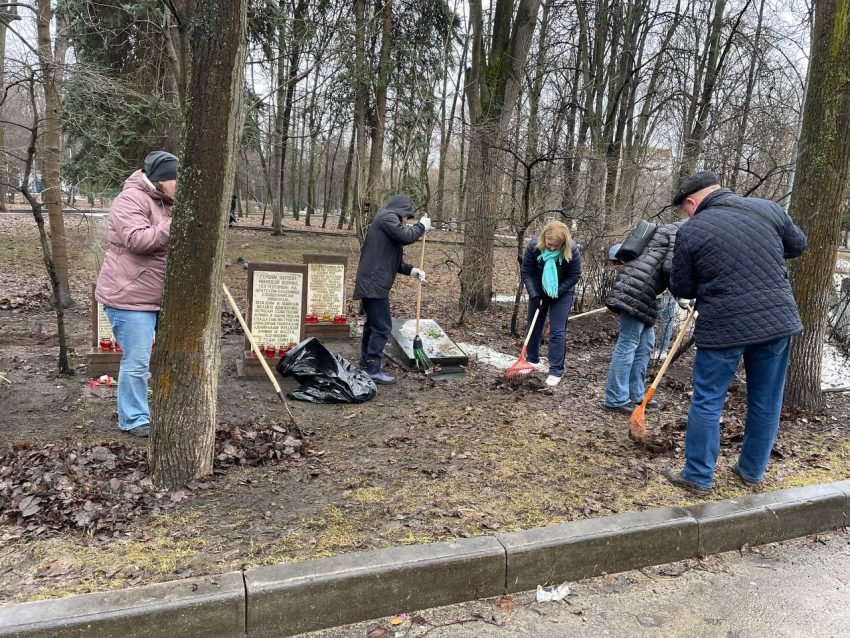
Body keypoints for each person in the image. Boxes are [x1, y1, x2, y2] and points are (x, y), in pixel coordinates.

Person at [664, 171, 807, 494]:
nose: (686, 214)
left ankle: (698, 476)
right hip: (775, 321)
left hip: (724, 325)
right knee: (767, 399)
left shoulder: (693, 229)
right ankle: (751, 471)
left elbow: (682, 286)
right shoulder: (768, 209)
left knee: (708, 398)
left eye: (684, 208)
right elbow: (797, 245)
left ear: (691, 201)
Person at [95, 150, 178, 437]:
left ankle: (162, 408)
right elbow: (137, 240)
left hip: (161, 297)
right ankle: (134, 418)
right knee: (138, 360)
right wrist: (176, 222)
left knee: (169, 356)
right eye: (175, 180)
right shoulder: (129, 200)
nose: (179, 187)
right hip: (129, 296)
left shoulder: (166, 201)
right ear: (160, 179)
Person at [604, 219, 684, 414]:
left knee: (646, 343)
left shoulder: (673, 231)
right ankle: (615, 398)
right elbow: (671, 267)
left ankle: (636, 395)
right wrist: (683, 294)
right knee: (629, 342)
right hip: (636, 288)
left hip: (645, 290)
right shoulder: (680, 233)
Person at [352, 194, 430, 385]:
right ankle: (373, 369)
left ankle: (367, 360)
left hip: (372, 282)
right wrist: (421, 226)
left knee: (373, 325)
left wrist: (412, 271)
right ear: (401, 211)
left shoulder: (386, 225)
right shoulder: (387, 216)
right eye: (406, 217)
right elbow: (406, 237)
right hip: (374, 284)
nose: (405, 222)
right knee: (383, 327)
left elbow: (394, 261)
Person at [520, 220, 582, 387]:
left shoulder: (572, 250)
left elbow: (574, 276)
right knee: (534, 325)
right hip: (538, 290)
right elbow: (527, 271)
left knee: (557, 331)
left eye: (557, 245)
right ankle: (531, 360)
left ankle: (555, 370)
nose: (552, 248)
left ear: (564, 243)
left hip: (561, 293)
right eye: (549, 244)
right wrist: (534, 295)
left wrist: (554, 294)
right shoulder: (534, 246)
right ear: (544, 238)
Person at [653, 291, 677, 360]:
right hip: (661, 292)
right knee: (664, 321)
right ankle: (660, 350)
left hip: (664, 293)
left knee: (666, 321)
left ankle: (662, 350)